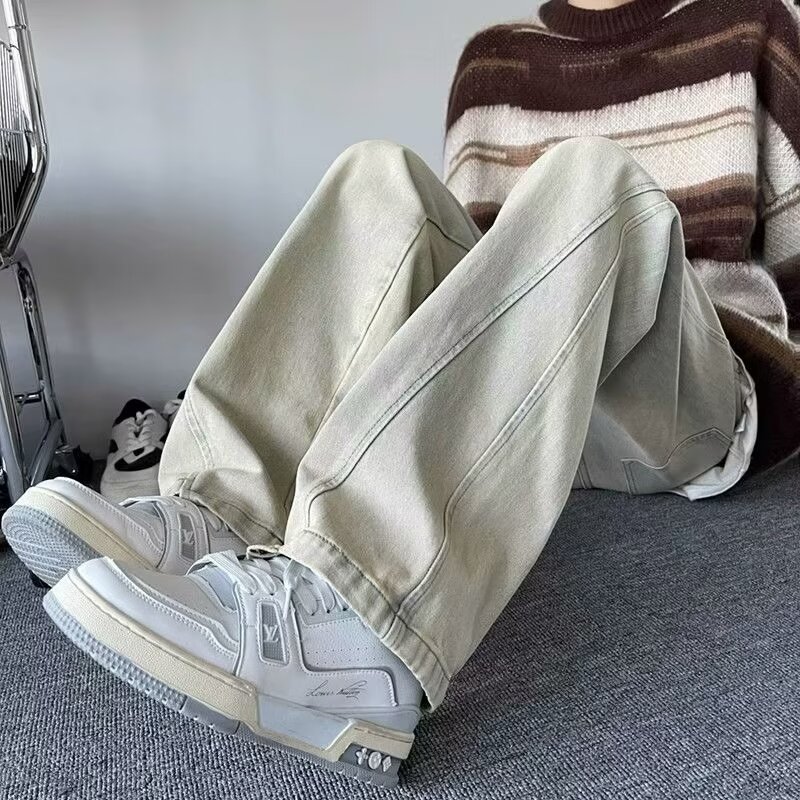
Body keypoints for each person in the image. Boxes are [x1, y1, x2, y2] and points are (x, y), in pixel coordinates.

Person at [4, 0, 799, 788]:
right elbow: (479, 281)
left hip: (686, 399)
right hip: (541, 405)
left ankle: (356, 623)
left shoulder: (753, 24)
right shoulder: (493, 60)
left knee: (594, 178)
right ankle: (222, 514)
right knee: (377, 173)